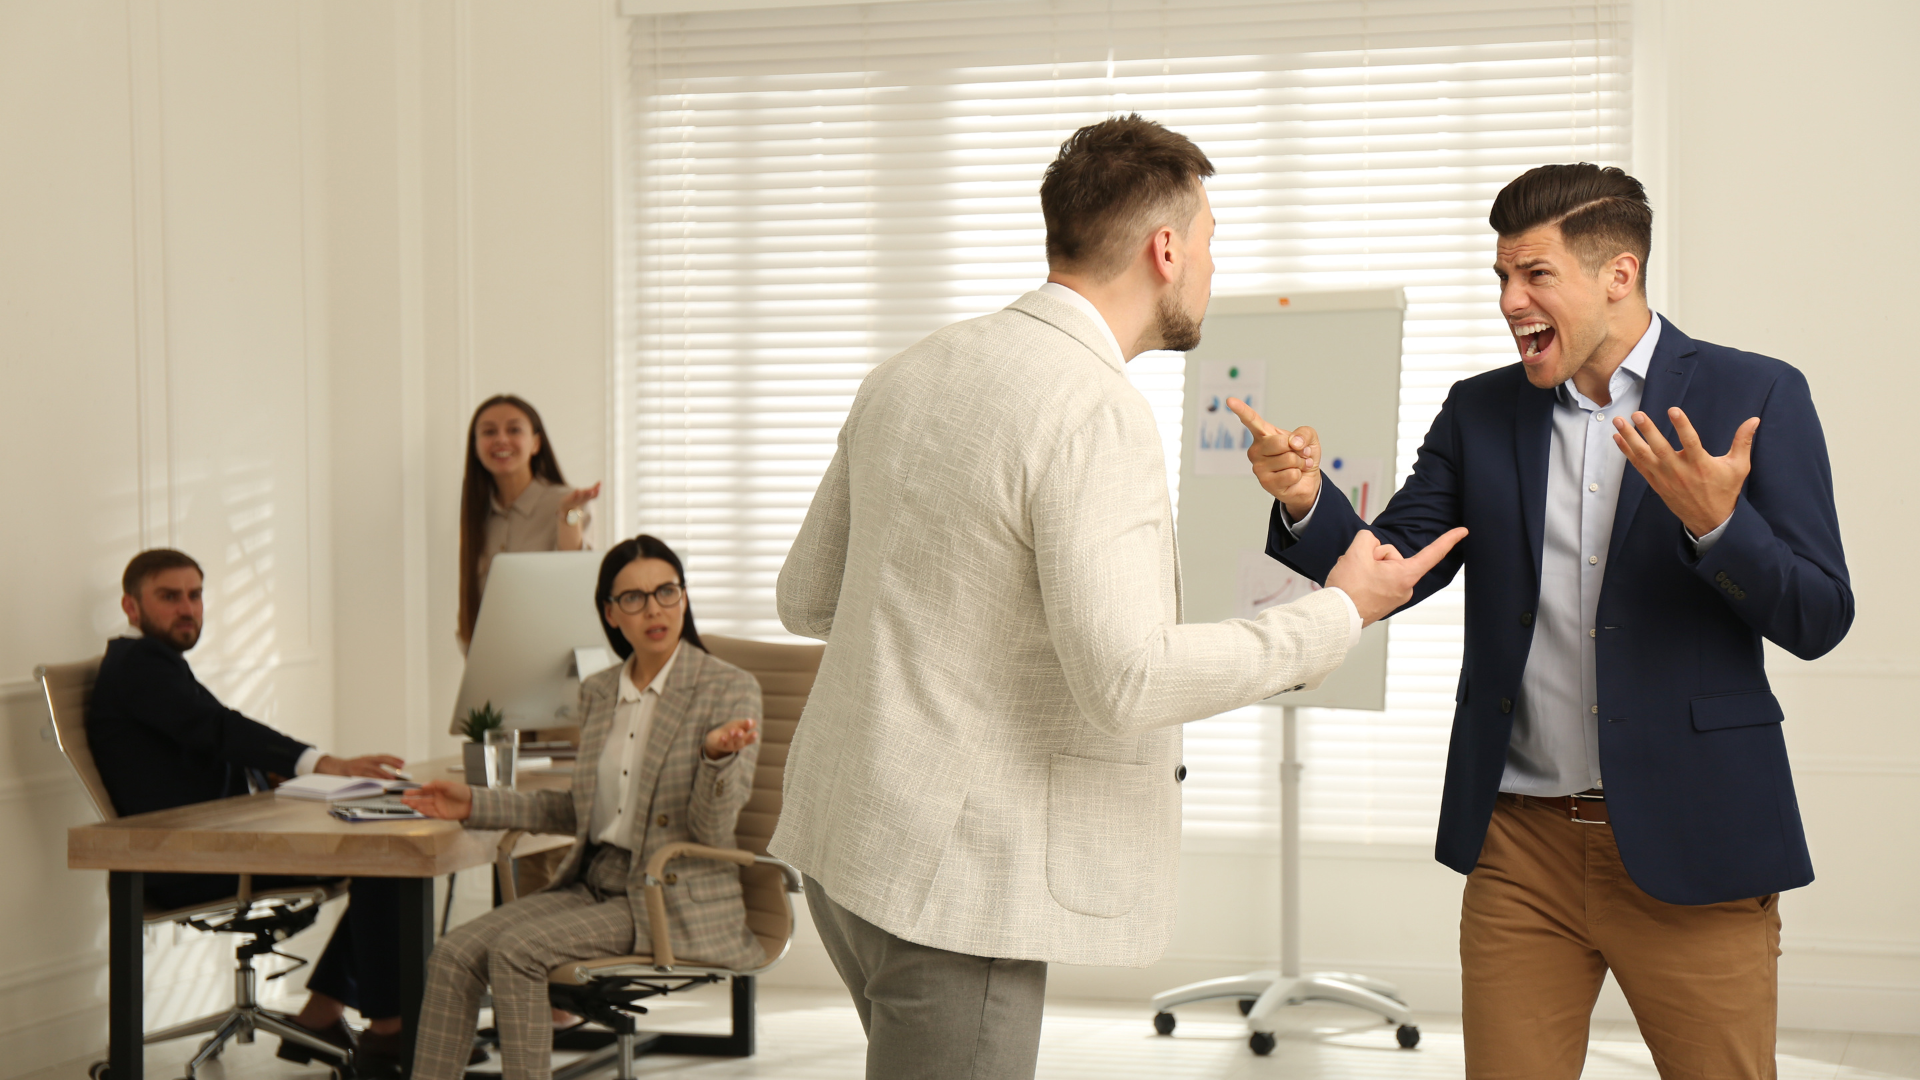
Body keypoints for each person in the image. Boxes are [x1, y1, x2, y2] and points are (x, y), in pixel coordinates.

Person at [769, 114, 1466, 1080]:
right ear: (1165, 248)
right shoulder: (1094, 408)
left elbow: (806, 599)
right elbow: (1130, 680)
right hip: (959, 886)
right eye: (1212, 242)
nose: (1216, 269)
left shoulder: (909, 370)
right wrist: (1338, 609)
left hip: (849, 847)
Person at [1239, 163, 1852, 1077]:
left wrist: (1718, 526)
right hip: (1519, 846)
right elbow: (1394, 561)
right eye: (1500, 278)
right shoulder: (1482, 411)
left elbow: (1819, 614)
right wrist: (1303, 500)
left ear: (1619, 274)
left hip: (1694, 839)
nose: (1509, 300)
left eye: (1534, 275)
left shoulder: (1754, 395)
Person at [404, 535, 764, 1080]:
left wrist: (715, 758)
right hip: (595, 880)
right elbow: (574, 811)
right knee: (454, 954)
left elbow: (711, 832)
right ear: (610, 614)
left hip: (667, 891)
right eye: (634, 598)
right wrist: (474, 802)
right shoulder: (599, 691)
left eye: (667, 591)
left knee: (516, 951)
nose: (654, 609)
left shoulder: (727, 688)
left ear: (685, 599)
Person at [88, 549, 417, 1069]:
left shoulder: (153, 665)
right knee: (389, 858)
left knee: (389, 852)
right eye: (169, 597)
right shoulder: (140, 667)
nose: (187, 608)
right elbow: (217, 728)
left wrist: (273, 774)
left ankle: (326, 1016)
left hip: (214, 839)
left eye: (195, 595)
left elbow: (197, 742)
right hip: (186, 858)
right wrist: (318, 761)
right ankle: (389, 1034)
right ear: (131, 606)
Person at [458, 393, 601, 649]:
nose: (501, 439)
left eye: (514, 429)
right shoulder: (475, 514)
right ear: (476, 447)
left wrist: (569, 515)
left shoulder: (569, 503)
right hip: (493, 658)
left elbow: (575, 577)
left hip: (556, 652)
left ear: (536, 443)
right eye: (489, 432)